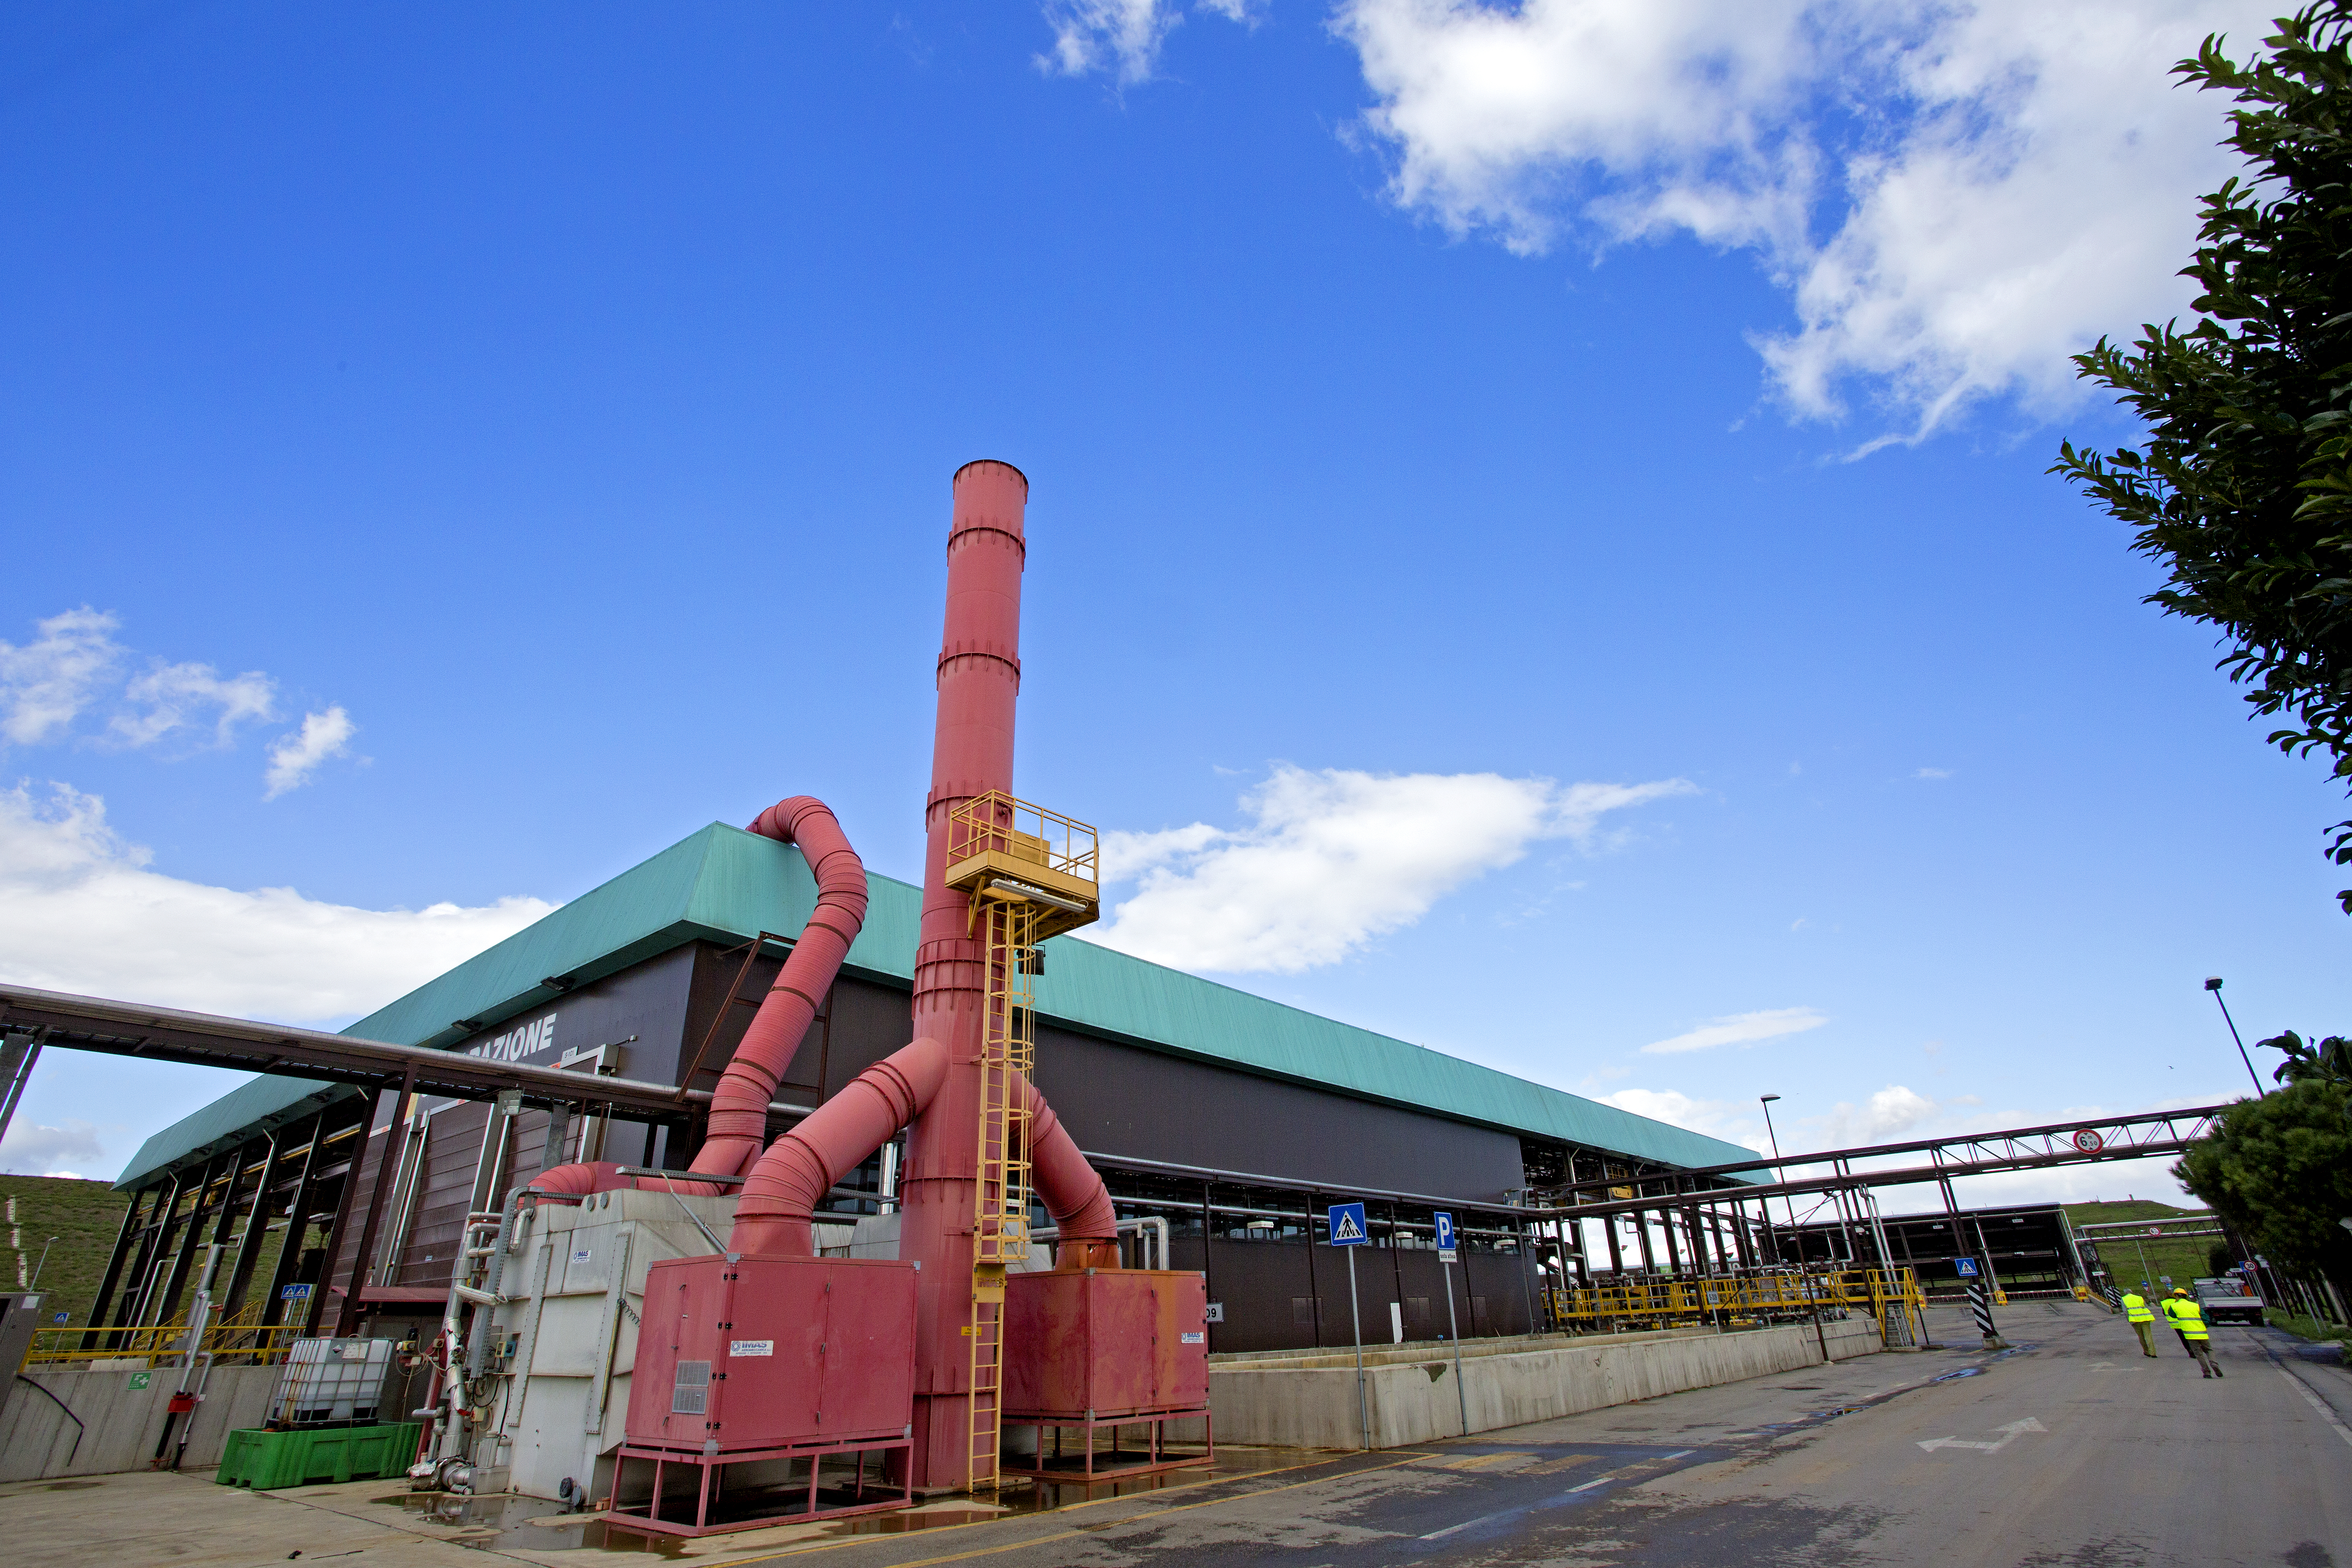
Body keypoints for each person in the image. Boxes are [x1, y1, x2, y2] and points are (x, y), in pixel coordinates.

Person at [2161, 1287, 2223, 1378]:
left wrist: (2175, 1304)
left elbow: (2172, 1315)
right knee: (2209, 1350)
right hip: (2202, 1333)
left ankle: (2207, 1372)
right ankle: (2214, 1364)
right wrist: (2205, 1326)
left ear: (2177, 1296)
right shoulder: (2195, 1305)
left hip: (2189, 1334)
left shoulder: (2174, 1306)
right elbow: (2206, 1318)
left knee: (2198, 1353)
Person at [2120, 1286, 2158, 1357]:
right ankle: (2153, 1353)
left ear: (2125, 1293)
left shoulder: (2124, 1299)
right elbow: (2146, 1307)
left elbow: (2125, 1312)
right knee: (2148, 1336)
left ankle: (2147, 1352)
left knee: (2141, 1336)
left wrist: (2129, 1320)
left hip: (2135, 1321)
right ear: (2132, 1292)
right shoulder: (2139, 1298)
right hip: (2145, 1318)